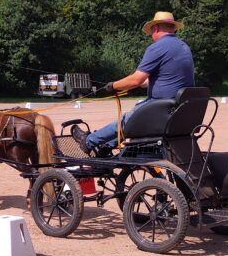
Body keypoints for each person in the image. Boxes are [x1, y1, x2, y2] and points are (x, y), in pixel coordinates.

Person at [73, 11, 195, 154]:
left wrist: (113, 86)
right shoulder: (183, 47)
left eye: (151, 32)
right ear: (173, 28)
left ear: (155, 29)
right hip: (179, 109)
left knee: (128, 119)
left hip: (162, 108)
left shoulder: (158, 47)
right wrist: (143, 83)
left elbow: (136, 79)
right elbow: (167, 79)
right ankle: (106, 145)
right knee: (135, 112)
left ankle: (89, 141)